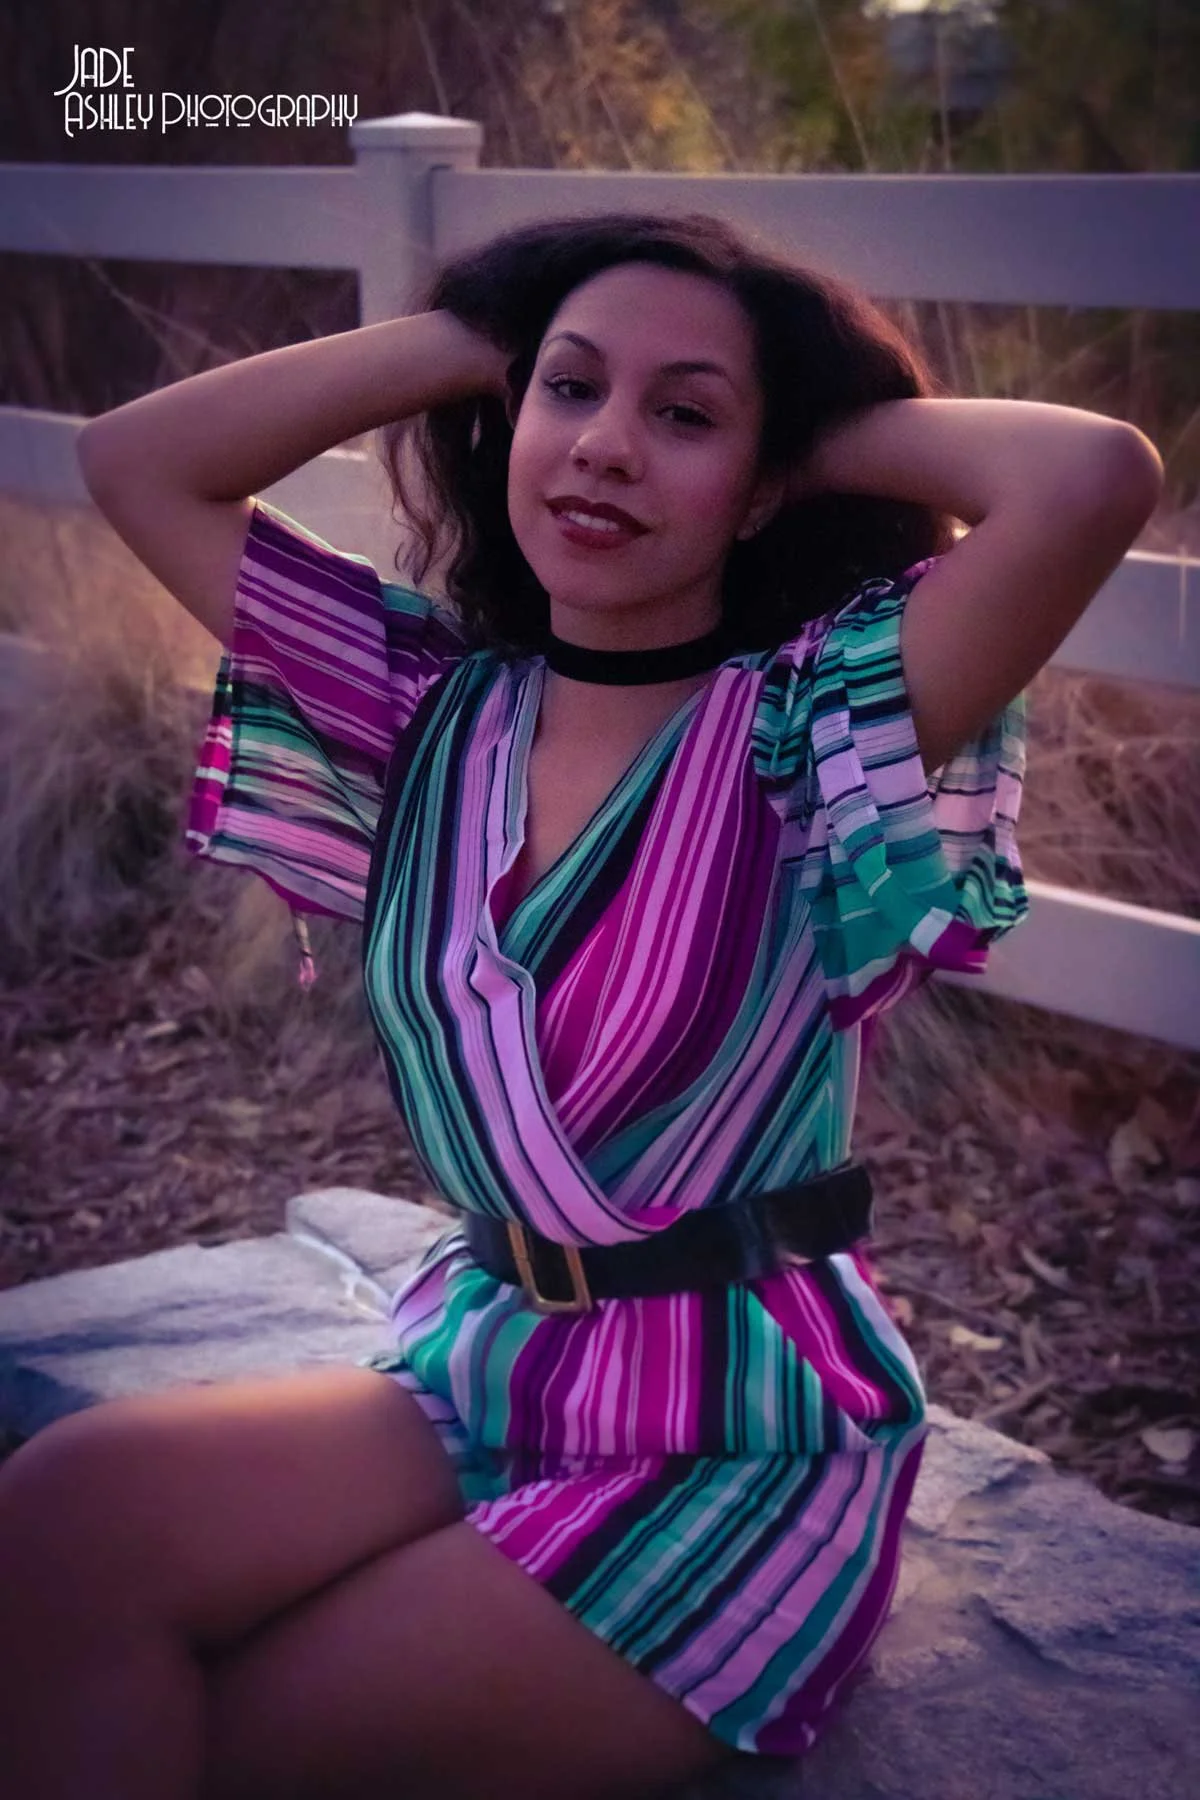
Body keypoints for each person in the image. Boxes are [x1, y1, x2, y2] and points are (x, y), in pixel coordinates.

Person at [0, 209, 1162, 1800]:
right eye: (571, 394)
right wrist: (485, 331)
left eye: (679, 416)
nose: (606, 449)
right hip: (492, 1358)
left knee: (259, 1727)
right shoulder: (421, 706)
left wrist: (799, 431)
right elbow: (142, 459)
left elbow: (1089, 477)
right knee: (64, 1511)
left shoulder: (809, 732)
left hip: (736, 1432)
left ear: (767, 487)